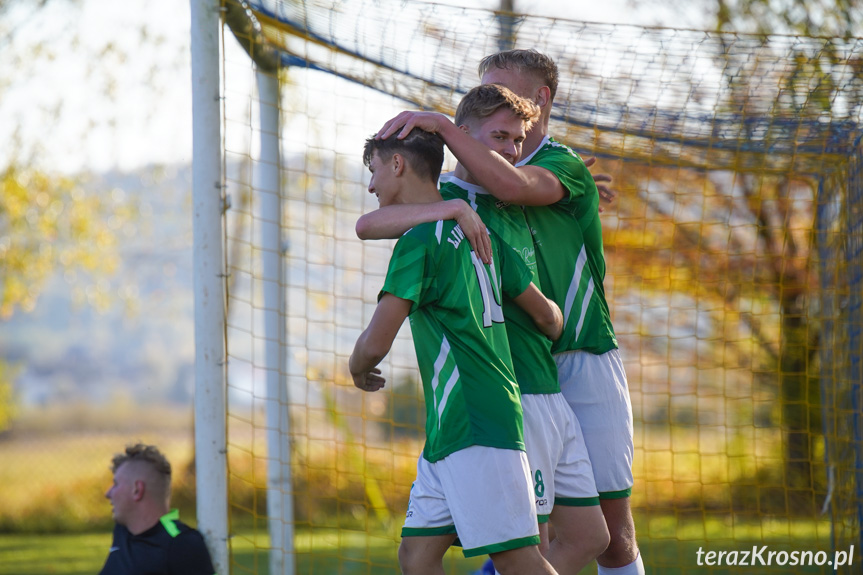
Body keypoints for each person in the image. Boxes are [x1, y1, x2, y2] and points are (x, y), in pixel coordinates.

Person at [376, 49, 644, 575]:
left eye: (504, 91)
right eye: (484, 96)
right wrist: (449, 196)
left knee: (609, 537)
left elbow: (510, 182)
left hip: (581, 357)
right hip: (512, 370)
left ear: (538, 101)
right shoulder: (456, 189)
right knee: (528, 534)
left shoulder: (557, 166)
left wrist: (439, 126)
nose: (495, 104)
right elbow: (380, 217)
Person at [350, 127, 564, 575]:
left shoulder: (417, 243)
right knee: (417, 556)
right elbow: (547, 317)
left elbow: (374, 344)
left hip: (476, 421)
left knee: (518, 559)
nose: (370, 186)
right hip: (454, 429)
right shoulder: (478, 232)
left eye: (373, 172)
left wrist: (356, 368)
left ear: (397, 164)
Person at [99, 443, 216, 575]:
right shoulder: (123, 531)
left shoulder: (181, 543)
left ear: (137, 490)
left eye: (116, 484)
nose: (108, 494)